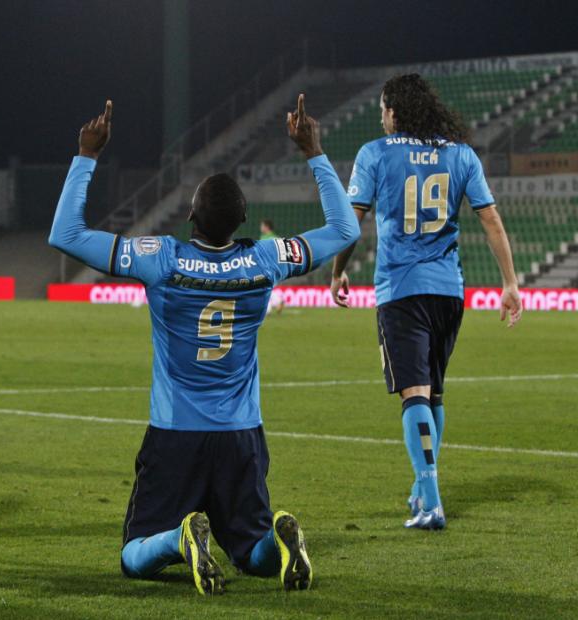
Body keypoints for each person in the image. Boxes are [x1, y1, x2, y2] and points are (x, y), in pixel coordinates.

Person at [49, 95, 359, 594]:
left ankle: (178, 540)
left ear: (191, 215)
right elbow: (345, 229)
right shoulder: (267, 259)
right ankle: (278, 544)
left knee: (133, 555)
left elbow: (65, 234)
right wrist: (313, 151)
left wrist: (87, 154)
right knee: (251, 551)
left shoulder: (159, 257)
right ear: (242, 220)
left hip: (175, 432)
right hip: (241, 435)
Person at [329, 74, 523, 530]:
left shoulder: (375, 153)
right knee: (433, 390)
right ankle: (423, 486)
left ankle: (431, 500)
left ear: (395, 111)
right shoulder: (461, 154)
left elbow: (351, 222)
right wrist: (510, 282)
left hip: (401, 290)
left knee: (413, 392)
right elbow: (491, 220)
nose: (380, 117)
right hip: (449, 291)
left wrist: (338, 271)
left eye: (383, 109)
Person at [259, 220, 286, 314]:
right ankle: (275, 303)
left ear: (266, 227)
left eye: (262, 226)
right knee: (267, 286)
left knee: (264, 286)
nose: (261, 228)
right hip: (276, 266)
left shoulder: (264, 238)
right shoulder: (277, 238)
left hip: (266, 266)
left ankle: (270, 306)